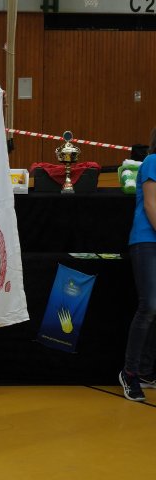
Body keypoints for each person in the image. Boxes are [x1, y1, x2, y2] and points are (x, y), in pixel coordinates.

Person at [119, 126, 156, 402]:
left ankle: (145, 371)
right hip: (146, 241)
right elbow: (151, 205)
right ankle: (129, 373)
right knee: (149, 306)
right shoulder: (153, 162)